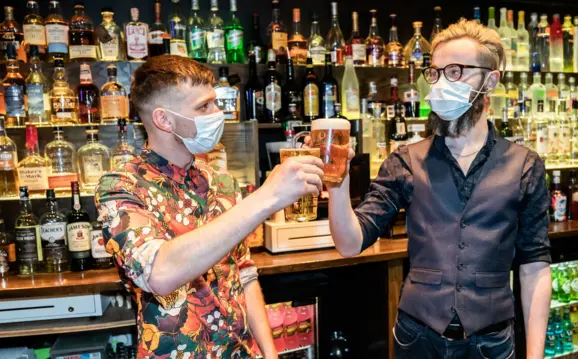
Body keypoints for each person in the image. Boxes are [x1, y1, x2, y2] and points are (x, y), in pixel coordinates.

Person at [326, 19, 551, 358]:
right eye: (437, 72)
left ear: (490, 80)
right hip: (417, 338)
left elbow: (534, 265)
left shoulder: (524, 165)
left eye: (457, 71)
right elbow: (349, 242)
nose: (444, 82)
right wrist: (337, 181)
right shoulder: (405, 161)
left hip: (490, 342)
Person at [95, 55, 324, 359]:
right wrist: (268, 196)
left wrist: (269, 354)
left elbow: (244, 275)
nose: (218, 114)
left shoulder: (222, 181)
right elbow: (158, 273)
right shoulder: (121, 187)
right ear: (164, 120)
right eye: (204, 107)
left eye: (215, 103)